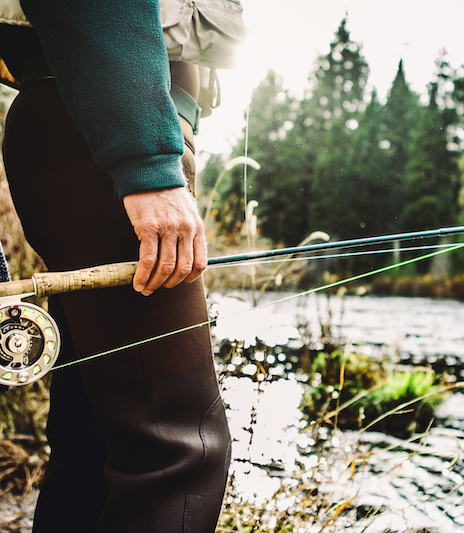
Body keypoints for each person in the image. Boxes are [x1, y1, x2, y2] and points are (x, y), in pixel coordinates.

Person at [0, 1, 232, 531]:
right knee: (177, 456)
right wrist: (148, 168)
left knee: (94, 450)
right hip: (105, 147)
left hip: (95, 136)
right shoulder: (133, 160)